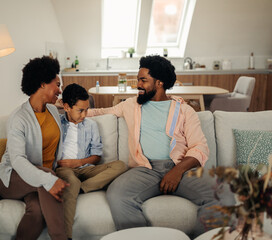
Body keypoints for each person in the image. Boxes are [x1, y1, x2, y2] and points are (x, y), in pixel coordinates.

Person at [87, 55, 226, 238]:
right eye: (138, 80)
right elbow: (100, 112)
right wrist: (68, 110)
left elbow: (199, 147)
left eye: (143, 80)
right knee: (117, 195)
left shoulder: (184, 110)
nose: (138, 84)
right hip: (145, 169)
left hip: (181, 168)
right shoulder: (131, 105)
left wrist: (176, 172)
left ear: (159, 83)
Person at [0, 56, 69, 240]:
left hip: (36, 181)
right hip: (12, 178)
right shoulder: (18, 119)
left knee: (36, 210)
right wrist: (49, 179)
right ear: (43, 83)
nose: (60, 90)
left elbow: (76, 112)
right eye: (57, 84)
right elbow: (18, 160)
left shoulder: (52, 111)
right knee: (47, 178)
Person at [57, 83, 127, 240]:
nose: (84, 114)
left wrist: (78, 162)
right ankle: (66, 236)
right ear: (67, 107)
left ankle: (81, 188)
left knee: (121, 165)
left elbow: (97, 156)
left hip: (85, 168)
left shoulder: (91, 125)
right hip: (65, 170)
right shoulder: (57, 124)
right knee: (71, 181)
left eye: (87, 109)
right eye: (80, 110)